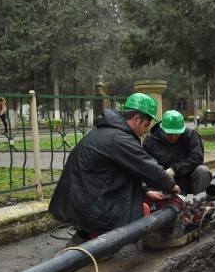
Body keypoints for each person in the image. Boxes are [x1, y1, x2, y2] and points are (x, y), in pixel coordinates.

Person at [48, 92, 179, 247]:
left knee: (139, 203)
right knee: (141, 211)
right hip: (88, 204)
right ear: (137, 119)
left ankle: (86, 237)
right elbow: (149, 168)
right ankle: (93, 245)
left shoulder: (108, 131)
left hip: (81, 200)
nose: (145, 132)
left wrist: (145, 191)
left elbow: (122, 173)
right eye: (145, 126)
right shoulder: (119, 138)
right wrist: (172, 185)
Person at [143, 109, 212, 196]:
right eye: (170, 134)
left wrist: (175, 169)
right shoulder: (151, 141)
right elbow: (144, 166)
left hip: (187, 178)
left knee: (203, 170)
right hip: (161, 181)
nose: (173, 137)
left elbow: (197, 157)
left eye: (177, 133)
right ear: (163, 129)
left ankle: (202, 204)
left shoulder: (190, 135)